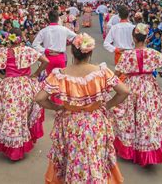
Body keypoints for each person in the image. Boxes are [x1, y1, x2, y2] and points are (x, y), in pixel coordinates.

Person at [35, 33, 129, 183]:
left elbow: (39, 98)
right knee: (94, 158)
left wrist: (57, 107)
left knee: (72, 159)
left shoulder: (60, 74)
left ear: (72, 52)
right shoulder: (101, 71)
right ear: (90, 52)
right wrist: (107, 105)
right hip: (95, 122)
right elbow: (124, 91)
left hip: (70, 123)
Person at [111, 23, 162, 166]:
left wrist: (108, 88)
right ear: (147, 37)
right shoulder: (154, 53)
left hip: (131, 87)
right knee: (147, 116)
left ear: (133, 38)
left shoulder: (127, 55)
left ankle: (132, 148)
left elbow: (116, 74)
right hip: (148, 87)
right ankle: (147, 148)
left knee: (130, 116)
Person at [0, 28, 48, 161]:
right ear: (21, 38)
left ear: (9, 38)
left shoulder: (3, 52)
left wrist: (1, 75)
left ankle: (13, 148)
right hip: (25, 86)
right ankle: (19, 146)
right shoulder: (27, 50)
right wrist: (36, 74)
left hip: (8, 88)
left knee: (11, 117)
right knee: (24, 115)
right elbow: (46, 61)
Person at [32, 10, 76, 75]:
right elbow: (76, 37)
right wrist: (68, 42)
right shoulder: (64, 29)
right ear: (58, 18)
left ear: (49, 19)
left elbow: (35, 45)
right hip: (60, 58)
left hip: (48, 59)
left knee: (49, 80)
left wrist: (45, 50)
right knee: (61, 80)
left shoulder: (44, 31)